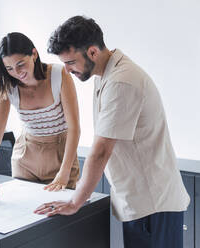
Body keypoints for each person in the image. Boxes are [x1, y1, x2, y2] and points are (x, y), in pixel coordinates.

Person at [34, 16, 190, 248]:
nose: (67, 70)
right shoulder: (105, 75)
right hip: (142, 202)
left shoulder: (121, 81)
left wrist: (76, 201)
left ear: (93, 52)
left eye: (70, 62)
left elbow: (101, 151)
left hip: (154, 205)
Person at [0, 32, 81, 205]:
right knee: (24, 213)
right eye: (9, 69)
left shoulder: (59, 74)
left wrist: (64, 172)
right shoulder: (9, 86)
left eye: (20, 64)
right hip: (26, 157)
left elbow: (74, 128)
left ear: (33, 54)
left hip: (60, 156)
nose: (17, 73)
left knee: (60, 218)